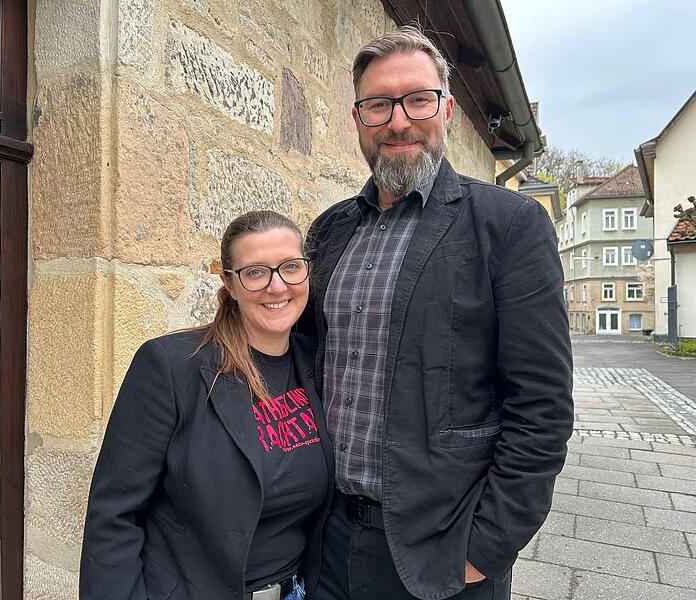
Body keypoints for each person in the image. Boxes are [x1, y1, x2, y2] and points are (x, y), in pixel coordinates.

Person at [298, 26, 573, 600]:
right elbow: (301, 366)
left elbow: (541, 408)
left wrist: (485, 550)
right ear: (357, 120)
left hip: (442, 557)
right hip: (329, 544)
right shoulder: (330, 231)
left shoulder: (509, 225)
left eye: (417, 99)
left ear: (446, 109)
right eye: (378, 105)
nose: (398, 121)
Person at [80, 210, 333, 600]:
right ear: (228, 283)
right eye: (255, 272)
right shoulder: (171, 366)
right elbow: (113, 515)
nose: (277, 286)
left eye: (290, 267)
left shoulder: (316, 362)